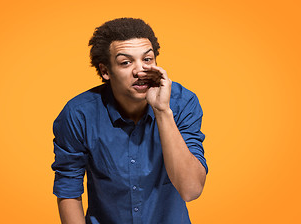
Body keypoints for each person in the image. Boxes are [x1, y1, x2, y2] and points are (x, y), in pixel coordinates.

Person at [51, 17, 208, 224]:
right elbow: (69, 187)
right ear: (105, 71)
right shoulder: (79, 114)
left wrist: (162, 111)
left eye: (147, 59)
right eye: (126, 62)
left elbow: (191, 189)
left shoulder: (182, 103)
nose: (140, 70)